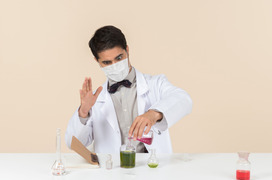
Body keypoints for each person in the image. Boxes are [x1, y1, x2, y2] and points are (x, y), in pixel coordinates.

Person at [65, 25, 192, 154]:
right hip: (111, 170)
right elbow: (73, 143)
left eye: (119, 58)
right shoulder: (94, 100)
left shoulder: (155, 84)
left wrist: (154, 114)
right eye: (107, 62)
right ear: (97, 61)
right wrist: (83, 112)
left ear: (127, 50)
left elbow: (184, 100)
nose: (115, 66)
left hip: (151, 168)